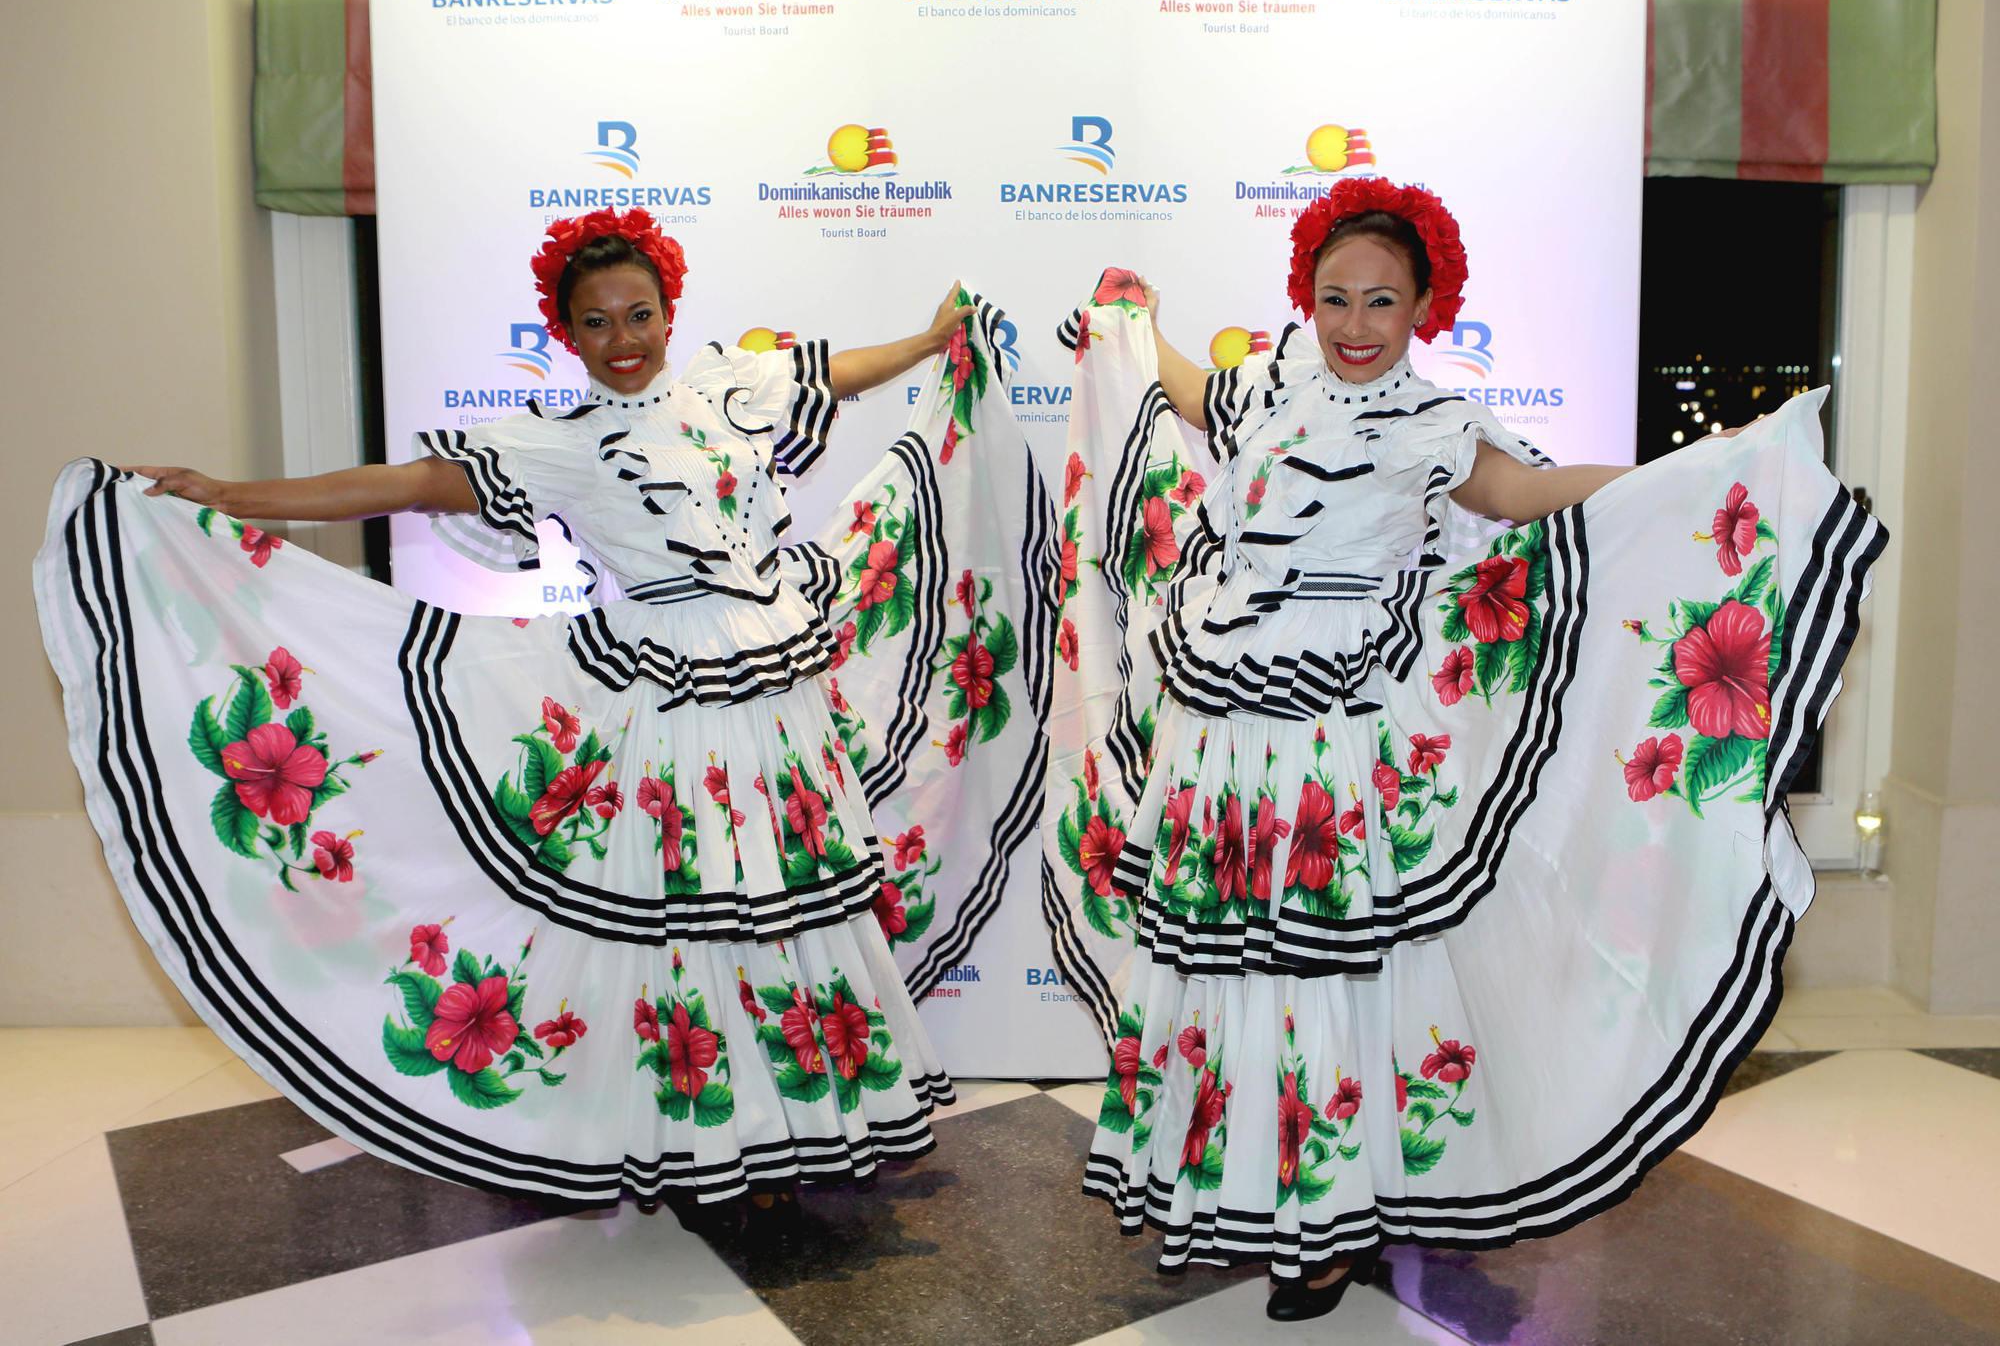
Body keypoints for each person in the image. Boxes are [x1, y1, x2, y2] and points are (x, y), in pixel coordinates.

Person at [38, 205, 974, 1226]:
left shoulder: (726, 385)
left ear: (668, 313)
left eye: (638, 314)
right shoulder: (554, 442)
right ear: (566, 334)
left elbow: (837, 371)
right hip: (672, 699)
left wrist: (930, 342)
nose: (623, 339)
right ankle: (710, 1135)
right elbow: (403, 484)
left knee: (792, 904)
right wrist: (231, 493)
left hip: (775, 684)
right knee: (694, 915)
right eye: (596, 322)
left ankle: (807, 1121)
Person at [1072, 179, 1884, 1319]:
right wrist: (1130, 317)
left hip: (1331, 734)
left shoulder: (1436, 423)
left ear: (1422, 308)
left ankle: (1325, 1226)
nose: (1355, 324)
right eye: (1335, 298)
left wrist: (1692, 479)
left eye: (1381, 301)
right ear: (1306, 297)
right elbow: (1184, 385)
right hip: (1223, 729)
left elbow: (1527, 493)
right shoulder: (1264, 385)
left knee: (1321, 973)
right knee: (1227, 964)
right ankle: (1236, 1184)